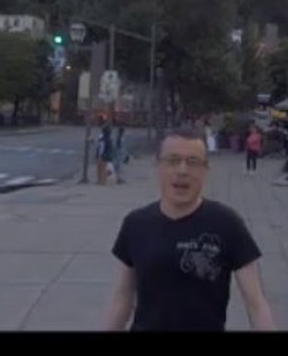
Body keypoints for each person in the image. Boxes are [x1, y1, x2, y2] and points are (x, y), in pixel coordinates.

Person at [103, 127, 276, 332]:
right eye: (173, 160)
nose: (182, 171)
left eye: (193, 162)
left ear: (205, 170)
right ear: (158, 166)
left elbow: (256, 304)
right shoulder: (136, 224)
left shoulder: (227, 224)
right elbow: (121, 299)